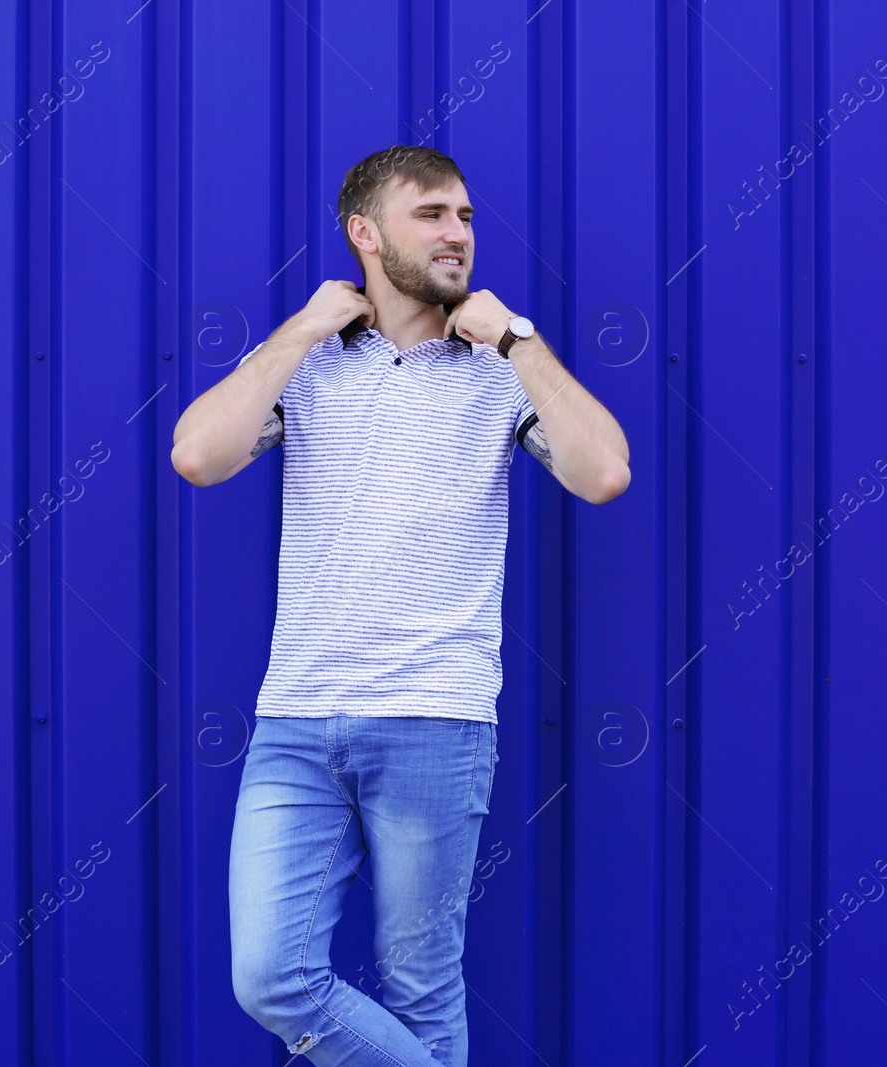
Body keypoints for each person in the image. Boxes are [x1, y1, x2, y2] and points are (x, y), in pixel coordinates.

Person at [171, 144, 629, 1066]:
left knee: (424, 988)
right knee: (270, 975)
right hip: (295, 720)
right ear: (365, 234)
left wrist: (518, 340)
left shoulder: (501, 368)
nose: (458, 233)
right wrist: (298, 333)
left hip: (436, 717)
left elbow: (604, 471)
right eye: (432, 214)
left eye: (464, 215)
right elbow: (198, 455)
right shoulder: (306, 366)